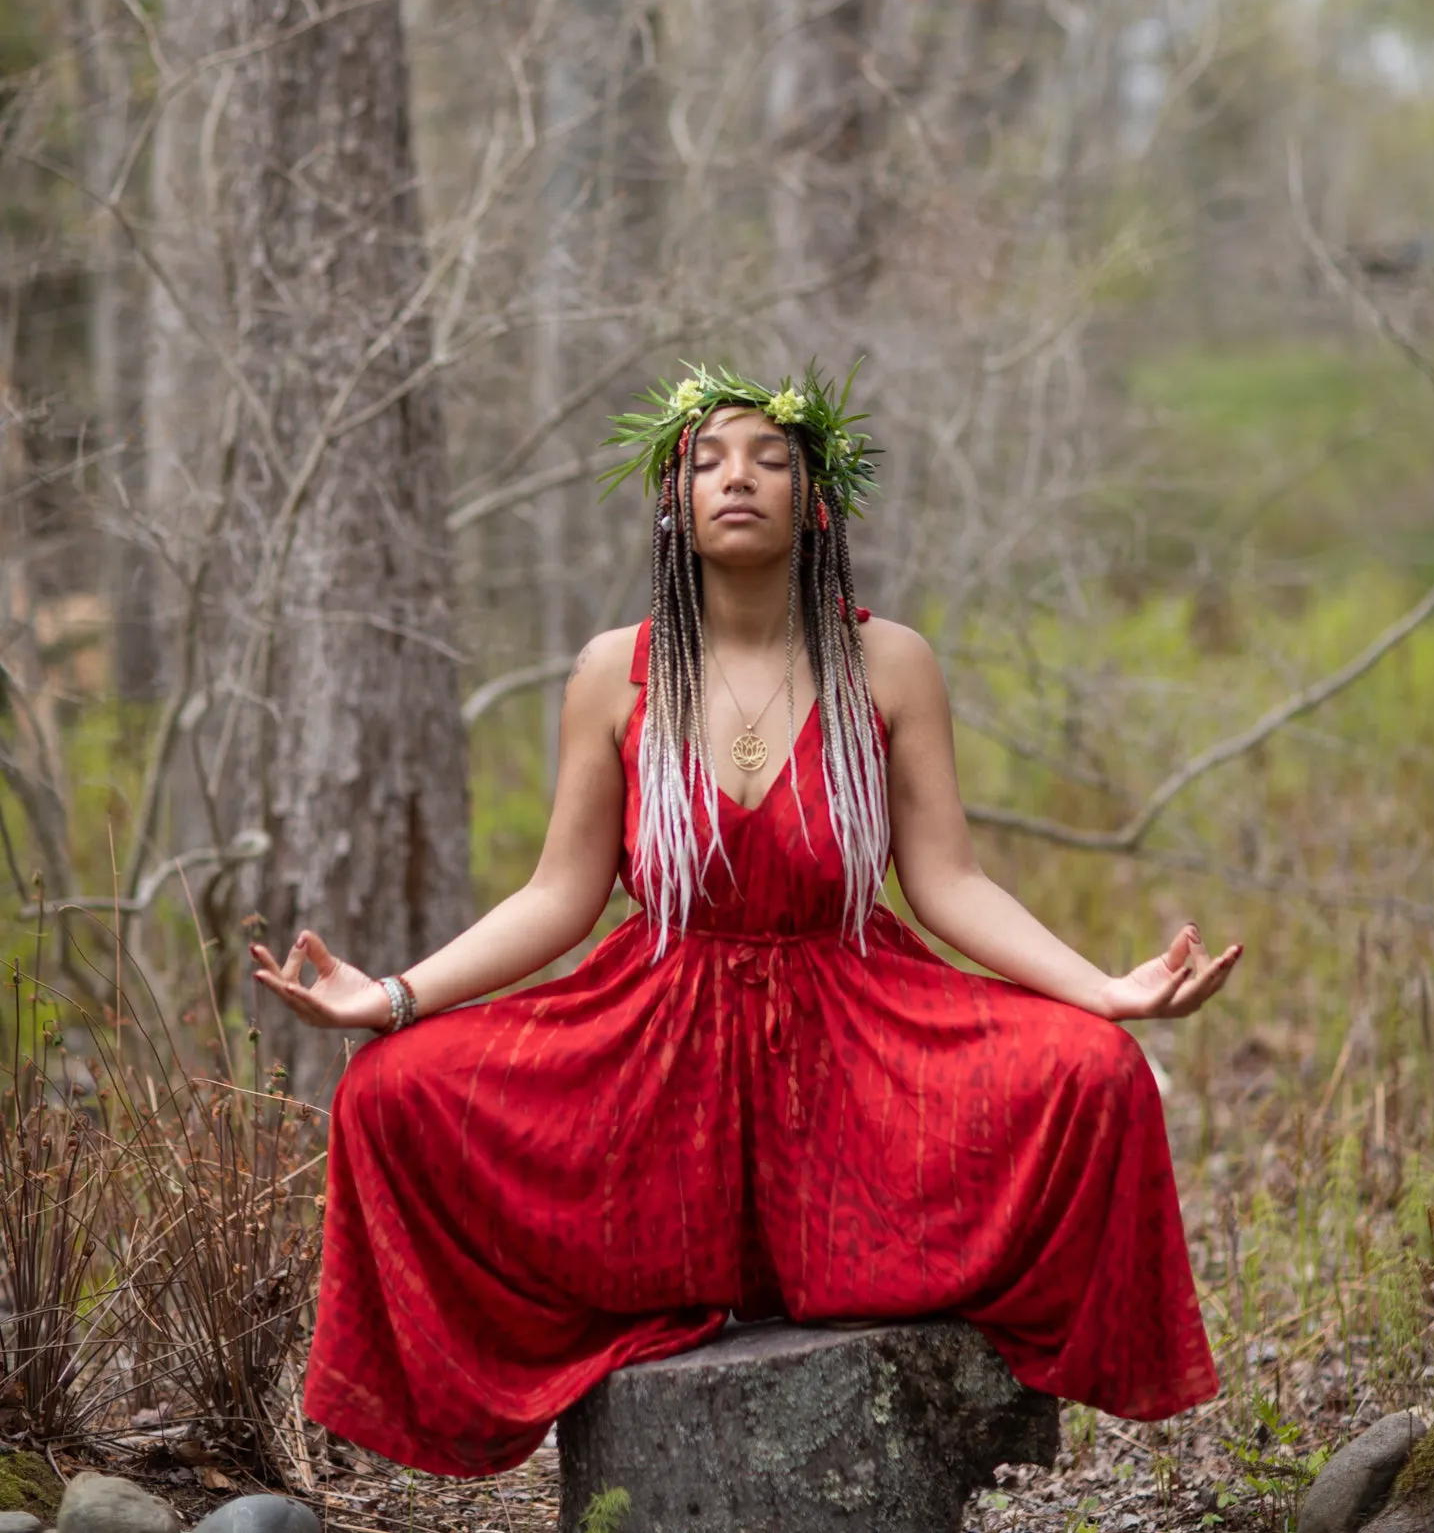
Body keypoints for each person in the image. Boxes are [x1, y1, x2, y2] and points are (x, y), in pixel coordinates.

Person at [252, 364, 1241, 1480]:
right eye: (708, 460)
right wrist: (390, 997)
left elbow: (949, 882)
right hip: (655, 1038)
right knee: (387, 1094)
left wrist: (1101, 989)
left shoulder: (888, 662)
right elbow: (558, 897)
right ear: (671, 501)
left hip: (857, 1023)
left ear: (814, 500)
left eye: (771, 460)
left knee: (1097, 1075)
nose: (738, 478)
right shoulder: (610, 675)